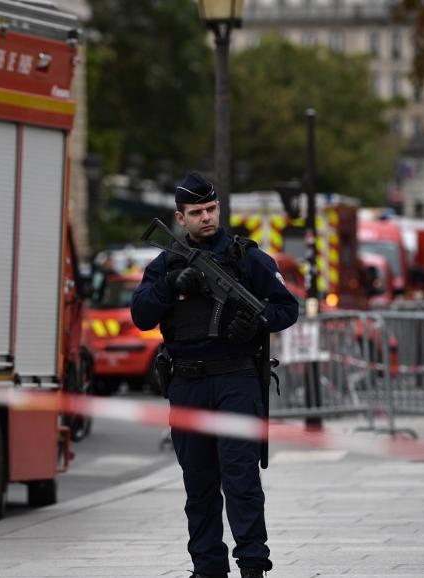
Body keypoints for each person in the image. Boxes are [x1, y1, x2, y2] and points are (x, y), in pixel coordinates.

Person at [131, 172, 299, 578]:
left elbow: (286, 308)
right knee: (199, 485)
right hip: (187, 382)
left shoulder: (247, 258)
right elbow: (141, 315)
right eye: (196, 212)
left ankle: (253, 565)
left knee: (241, 479)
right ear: (180, 217)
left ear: (218, 209)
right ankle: (207, 568)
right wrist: (171, 286)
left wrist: (257, 325)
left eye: (211, 209)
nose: (206, 218)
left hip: (236, 381)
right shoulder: (165, 263)